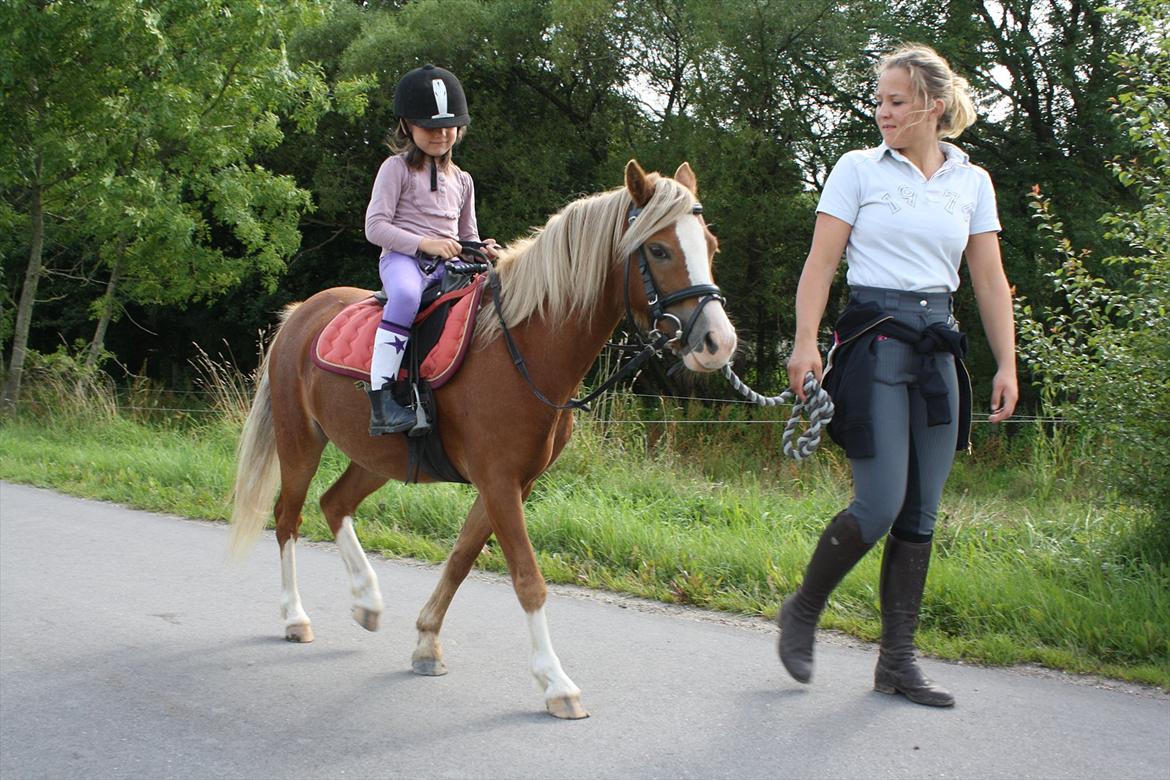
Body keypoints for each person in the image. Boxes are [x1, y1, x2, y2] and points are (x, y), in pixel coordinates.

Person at [777, 44, 1018, 707]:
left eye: (895, 101)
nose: (882, 111)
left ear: (932, 107)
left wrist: (1007, 362)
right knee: (880, 503)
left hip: (938, 347)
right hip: (875, 340)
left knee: (921, 511)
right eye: (879, 100)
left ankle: (897, 662)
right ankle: (802, 609)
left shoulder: (972, 181)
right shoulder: (858, 169)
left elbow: (991, 282)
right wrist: (804, 344)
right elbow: (821, 264)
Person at [364, 64, 497, 435]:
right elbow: (375, 228)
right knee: (405, 296)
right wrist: (426, 244)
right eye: (430, 127)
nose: (441, 135)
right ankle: (383, 399)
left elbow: (467, 234)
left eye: (448, 127)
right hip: (404, 261)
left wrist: (482, 248)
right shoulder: (395, 170)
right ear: (408, 126)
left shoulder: (464, 180)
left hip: (449, 267)